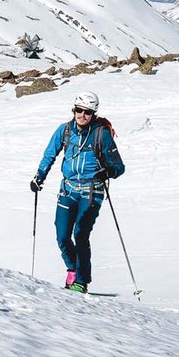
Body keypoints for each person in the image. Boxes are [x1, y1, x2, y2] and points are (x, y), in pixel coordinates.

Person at [31, 90, 125, 292]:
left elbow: (119, 167)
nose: (82, 115)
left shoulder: (102, 134)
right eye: (79, 110)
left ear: (94, 114)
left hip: (92, 191)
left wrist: (108, 171)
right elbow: (50, 154)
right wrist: (39, 176)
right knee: (62, 236)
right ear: (73, 110)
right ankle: (72, 269)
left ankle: (81, 281)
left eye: (88, 112)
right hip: (68, 189)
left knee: (80, 233)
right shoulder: (64, 130)